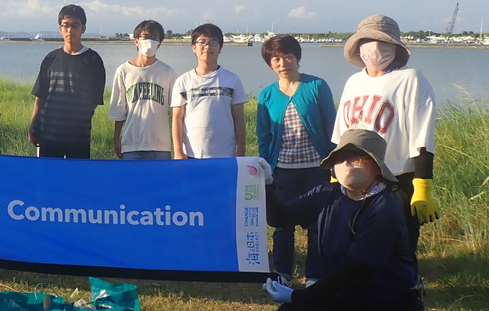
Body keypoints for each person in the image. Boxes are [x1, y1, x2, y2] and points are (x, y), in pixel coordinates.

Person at [262, 129, 446, 311]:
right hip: (343, 301)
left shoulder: (385, 209)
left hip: (387, 308)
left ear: (376, 167)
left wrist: (298, 296)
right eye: (343, 156)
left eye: (358, 157)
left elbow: (356, 271)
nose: (348, 163)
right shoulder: (326, 193)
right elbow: (279, 217)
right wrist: (267, 182)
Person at [333, 15, 437, 253]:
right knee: (358, 240)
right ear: (359, 49)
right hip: (356, 178)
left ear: (395, 48)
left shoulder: (411, 79)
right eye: (368, 42)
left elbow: (422, 136)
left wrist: (422, 185)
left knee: (400, 242)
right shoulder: (353, 82)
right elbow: (341, 136)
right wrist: (334, 178)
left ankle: (406, 287)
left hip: (396, 178)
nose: (376, 49)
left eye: (383, 42)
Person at [256, 34, 336, 285]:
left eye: (287, 57)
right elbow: (264, 135)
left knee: (317, 224)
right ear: (270, 63)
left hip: (316, 168)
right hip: (283, 170)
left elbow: (331, 126)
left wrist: (335, 164)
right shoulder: (266, 95)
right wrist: (266, 169)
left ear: (297, 58)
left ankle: (314, 274)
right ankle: (283, 272)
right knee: (282, 224)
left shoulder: (317, 86)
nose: (282, 63)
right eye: (276, 58)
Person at [29, 5, 106, 159]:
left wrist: (78, 119)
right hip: (49, 134)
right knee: (49, 179)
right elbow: (41, 96)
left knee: (77, 180)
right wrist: (33, 126)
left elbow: (95, 99)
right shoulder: (51, 59)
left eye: (75, 25)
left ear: (83, 28)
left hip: (78, 136)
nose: (70, 30)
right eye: (66, 25)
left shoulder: (93, 60)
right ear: (60, 29)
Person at [170, 23, 246, 159]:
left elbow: (239, 118)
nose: (207, 46)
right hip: (192, 154)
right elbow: (177, 118)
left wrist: (241, 150)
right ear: (193, 47)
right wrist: (178, 152)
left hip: (226, 154)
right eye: (202, 42)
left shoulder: (232, 80)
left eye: (213, 42)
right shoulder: (183, 81)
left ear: (220, 48)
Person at [107, 20, 177, 160]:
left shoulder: (168, 72)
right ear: (136, 41)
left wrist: (179, 144)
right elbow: (119, 110)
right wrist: (116, 139)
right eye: (145, 37)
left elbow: (176, 111)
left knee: (160, 182)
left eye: (154, 37)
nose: (149, 41)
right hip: (131, 145)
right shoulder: (124, 71)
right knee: (132, 182)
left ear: (159, 43)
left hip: (160, 146)